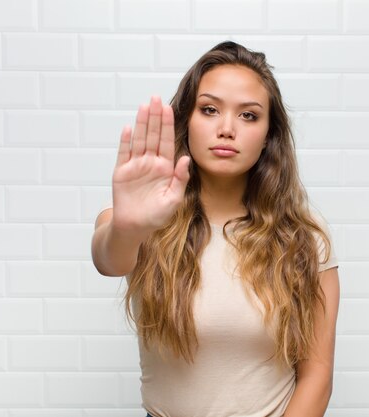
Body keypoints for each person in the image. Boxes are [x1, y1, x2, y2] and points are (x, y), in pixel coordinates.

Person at [91, 41, 340, 417]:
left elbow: (316, 374)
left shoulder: (304, 236)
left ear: (268, 135)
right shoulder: (142, 218)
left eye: (249, 116)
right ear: (185, 121)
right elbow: (108, 258)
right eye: (209, 110)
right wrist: (129, 228)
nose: (226, 129)